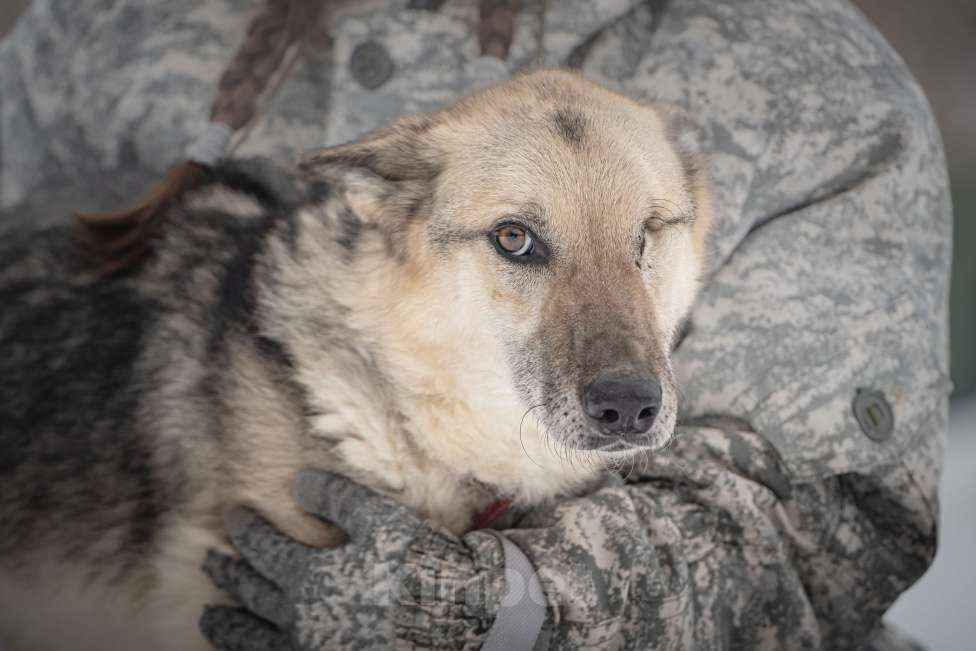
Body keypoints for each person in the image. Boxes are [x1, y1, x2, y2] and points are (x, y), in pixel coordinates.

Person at [0, 0, 952, 648]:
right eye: (518, 241)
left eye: (642, 241)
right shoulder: (106, 23)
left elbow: (836, 537)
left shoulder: (802, 68)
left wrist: (511, 605)